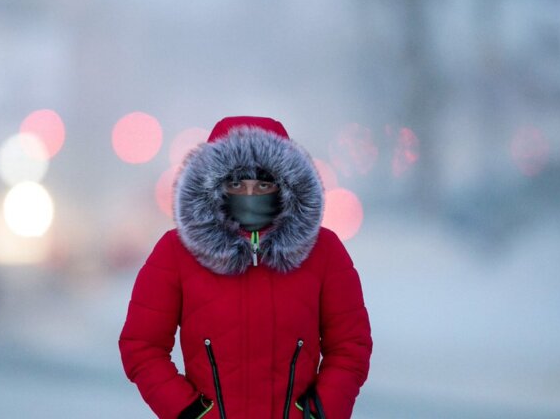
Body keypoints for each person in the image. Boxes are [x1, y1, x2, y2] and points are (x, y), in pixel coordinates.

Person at [119, 116, 372, 419]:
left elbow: (350, 347)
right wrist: (189, 413)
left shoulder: (324, 251)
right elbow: (141, 346)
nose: (250, 195)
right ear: (214, 185)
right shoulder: (176, 252)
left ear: (286, 187)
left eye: (263, 183)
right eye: (237, 183)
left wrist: (320, 411)